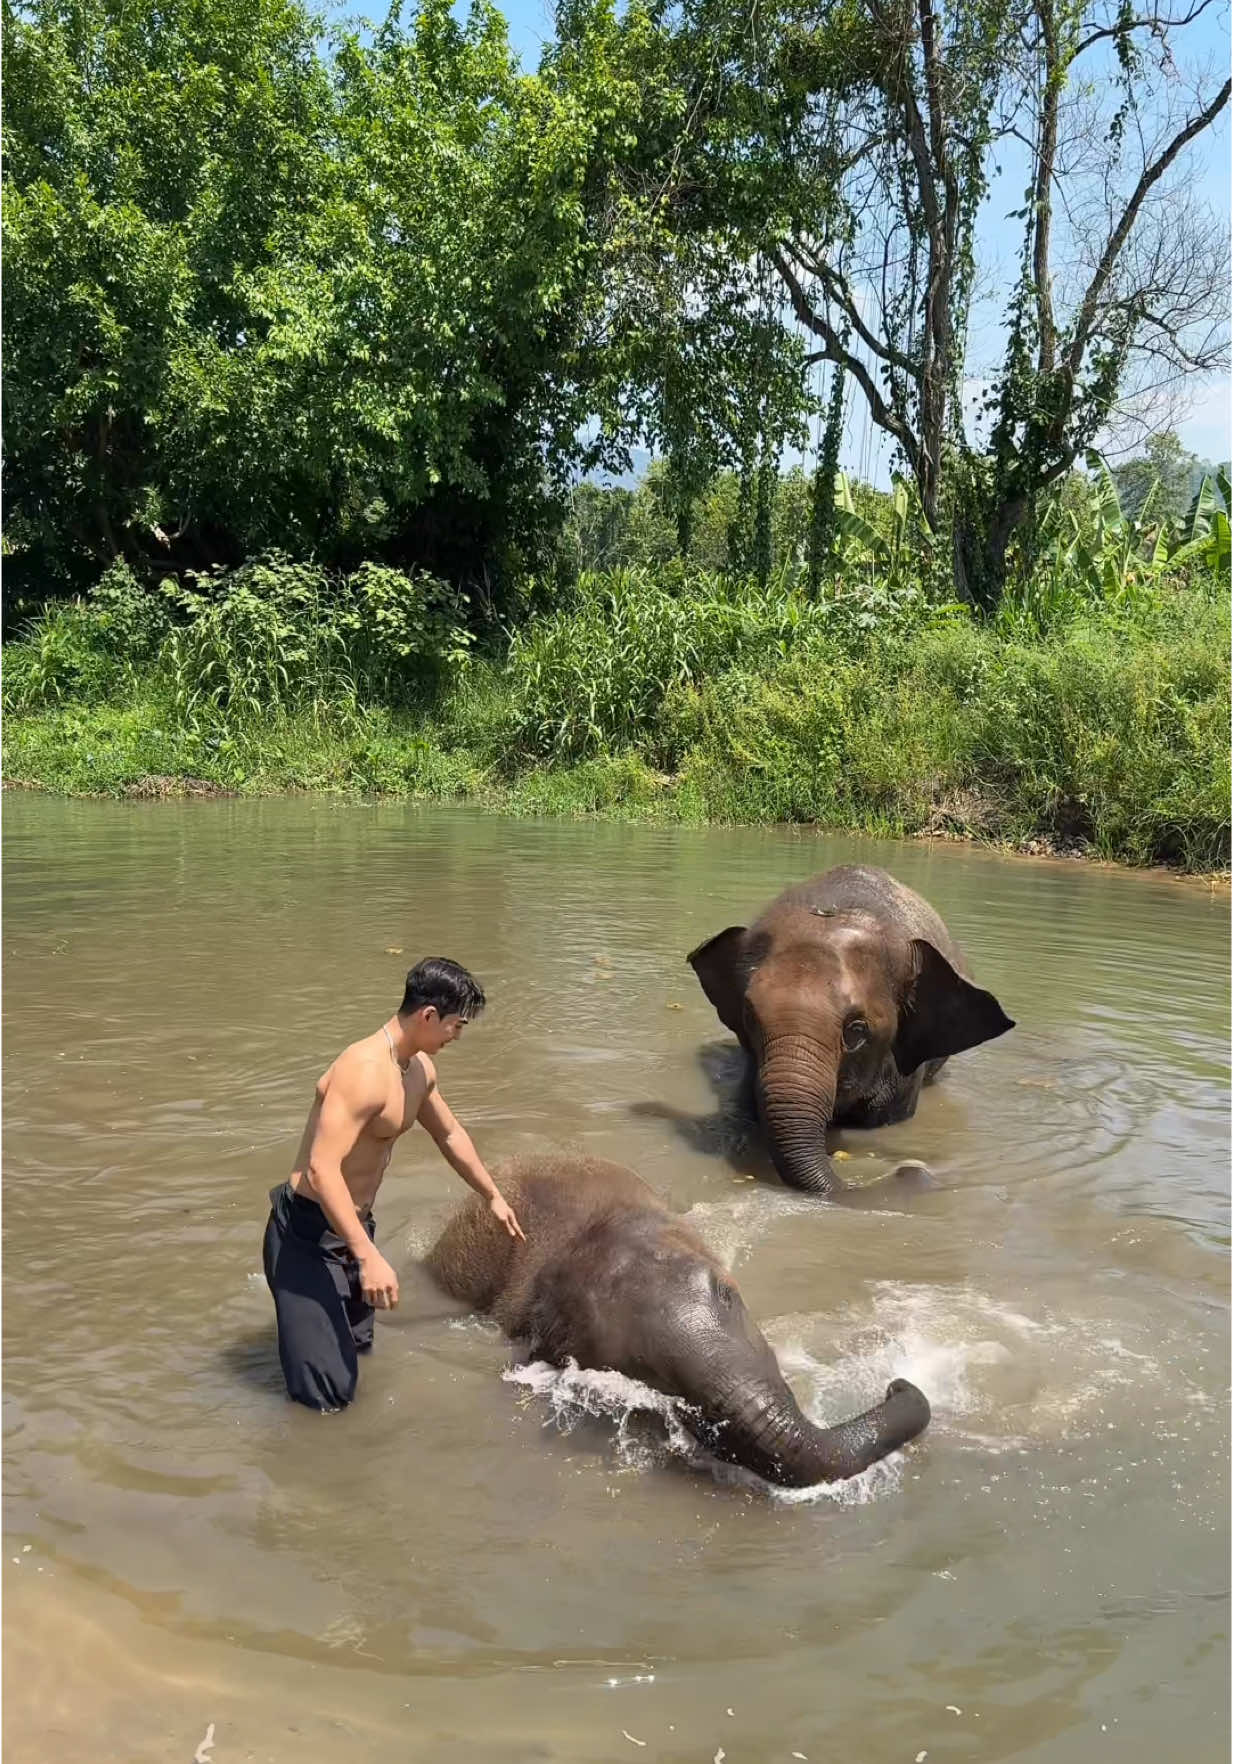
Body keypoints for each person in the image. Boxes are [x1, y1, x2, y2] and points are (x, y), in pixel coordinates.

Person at [262, 956, 525, 1412]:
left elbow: (449, 1134)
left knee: (358, 1354)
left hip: (353, 1230)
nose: (456, 1038)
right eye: (456, 1026)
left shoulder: (417, 1070)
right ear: (428, 1016)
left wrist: (493, 1195)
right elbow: (323, 1170)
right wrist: (369, 1257)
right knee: (326, 1400)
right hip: (306, 1236)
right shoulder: (362, 1071)